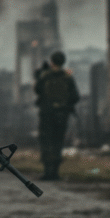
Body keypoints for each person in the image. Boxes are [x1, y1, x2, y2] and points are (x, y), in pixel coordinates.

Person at [33, 51, 79, 180]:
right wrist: (65, 105)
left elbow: (37, 90)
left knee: (46, 141)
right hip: (61, 115)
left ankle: (48, 172)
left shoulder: (45, 76)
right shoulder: (67, 77)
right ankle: (55, 173)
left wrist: (38, 76)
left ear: (52, 61)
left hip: (47, 114)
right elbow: (75, 96)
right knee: (58, 142)